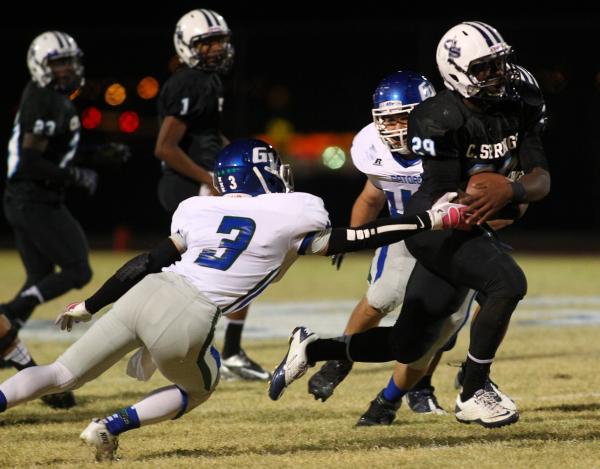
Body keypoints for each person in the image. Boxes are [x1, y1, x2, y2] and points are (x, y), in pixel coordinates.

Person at [0, 138, 463, 462]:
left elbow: (148, 260)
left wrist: (91, 305)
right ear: (262, 171)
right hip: (188, 313)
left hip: (146, 292)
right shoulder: (295, 210)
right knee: (196, 389)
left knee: (60, 374)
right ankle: (110, 427)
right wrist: (426, 222)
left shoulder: (201, 209)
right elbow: (356, 237)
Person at [269, 21, 550, 429]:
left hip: (468, 220)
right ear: (458, 72)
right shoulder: (438, 118)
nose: (499, 75)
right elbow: (438, 191)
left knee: (411, 341)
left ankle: (315, 349)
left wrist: (512, 193)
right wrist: (488, 195)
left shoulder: (519, 99)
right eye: (486, 68)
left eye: (501, 64)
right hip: (435, 224)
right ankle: (474, 389)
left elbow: (540, 179)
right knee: (507, 283)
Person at [307, 70, 475, 425]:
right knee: (379, 300)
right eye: (389, 119)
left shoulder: (452, 141)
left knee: (439, 329)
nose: (397, 127)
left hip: (453, 241)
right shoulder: (373, 149)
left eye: (405, 117)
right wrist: (351, 237)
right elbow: (370, 196)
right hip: (404, 237)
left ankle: (389, 400)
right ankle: (342, 357)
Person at [155, 9, 264, 380]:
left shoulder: (207, 80)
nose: (216, 49)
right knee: (238, 261)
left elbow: (208, 135)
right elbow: (165, 147)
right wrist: (209, 180)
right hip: (188, 187)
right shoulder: (192, 82)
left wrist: (241, 157)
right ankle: (218, 351)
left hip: (198, 185)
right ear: (187, 46)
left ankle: (223, 350)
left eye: (219, 41)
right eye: (206, 43)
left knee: (226, 264)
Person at [0, 31, 98, 409]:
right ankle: (11, 314)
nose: (67, 69)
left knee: (39, 274)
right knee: (77, 269)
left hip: (25, 197)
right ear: (40, 65)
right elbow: (31, 158)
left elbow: (50, 152)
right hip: (33, 199)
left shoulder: (48, 98)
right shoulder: (44, 99)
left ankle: (16, 352)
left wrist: (95, 156)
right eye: (58, 62)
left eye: (69, 61)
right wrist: (76, 176)